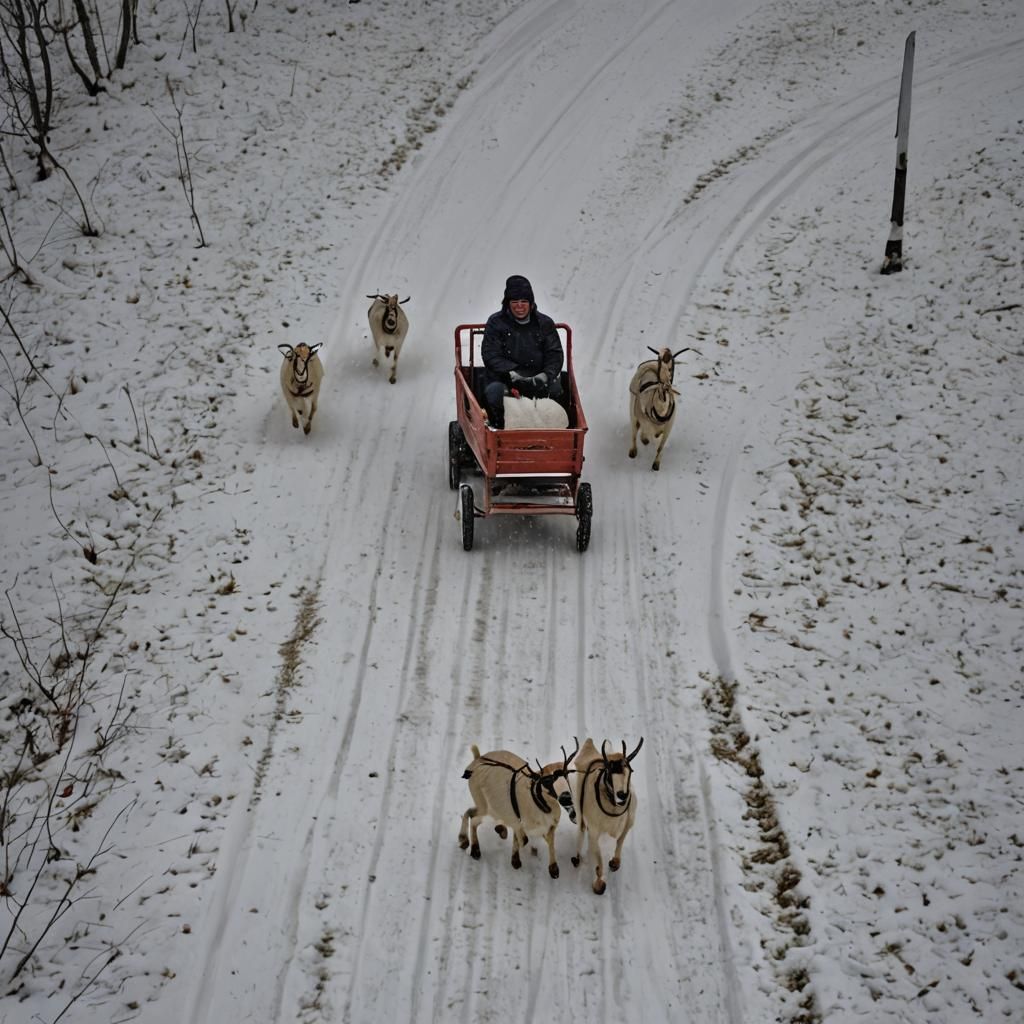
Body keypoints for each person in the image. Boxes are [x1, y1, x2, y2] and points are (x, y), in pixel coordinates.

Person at [481, 275, 564, 429]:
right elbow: (490, 354)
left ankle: (555, 432)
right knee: (495, 393)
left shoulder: (544, 323)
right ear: (507, 304)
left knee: (558, 389)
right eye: (514, 302)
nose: (519, 306)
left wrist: (545, 375)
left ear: (531, 304)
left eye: (524, 301)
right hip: (504, 378)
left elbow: (555, 354)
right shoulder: (496, 323)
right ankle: (499, 429)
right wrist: (512, 372)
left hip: (537, 378)